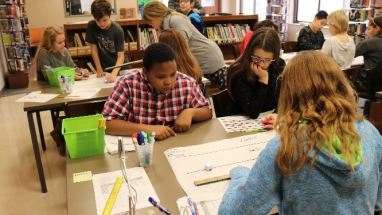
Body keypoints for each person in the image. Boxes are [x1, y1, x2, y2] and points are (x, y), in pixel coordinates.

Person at [218, 51, 382, 215]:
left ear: (289, 93)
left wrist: (241, 176)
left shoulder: (285, 147)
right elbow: (378, 202)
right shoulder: (369, 132)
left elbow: (233, 212)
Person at [102, 43, 212, 140]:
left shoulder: (187, 83)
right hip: (142, 149)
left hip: (178, 146)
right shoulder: (127, 84)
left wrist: (190, 112)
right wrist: (147, 130)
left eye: (173, 74)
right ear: (145, 72)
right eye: (161, 77)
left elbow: (207, 111)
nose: (168, 81)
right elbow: (107, 123)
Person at [143, 1, 227, 90]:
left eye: (149, 20)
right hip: (199, 57)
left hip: (207, 57)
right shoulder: (166, 23)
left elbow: (181, 46)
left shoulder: (174, 19)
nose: (149, 23)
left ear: (156, 15)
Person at [227, 28, 285, 119]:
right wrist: (263, 80)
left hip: (267, 119)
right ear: (250, 52)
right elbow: (253, 112)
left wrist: (277, 114)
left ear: (275, 57)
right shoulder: (238, 72)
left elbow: (283, 98)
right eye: (257, 58)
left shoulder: (278, 64)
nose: (261, 64)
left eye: (267, 60)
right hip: (241, 121)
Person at [86, 0, 127, 83]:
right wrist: (98, 68)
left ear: (109, 15)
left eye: (104, 20)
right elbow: (93, 49)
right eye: (98, 21)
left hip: (119, 67)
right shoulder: (91, 26)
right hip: (105, 67)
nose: (101, 24)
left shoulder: (118, 30)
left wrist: (114, 73)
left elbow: (121, 56)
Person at [355, 15, 382, 98]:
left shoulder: (370, 42)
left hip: (368, 83)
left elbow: (351, 55)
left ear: (377, 28)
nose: (367, 31)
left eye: (369, 29)